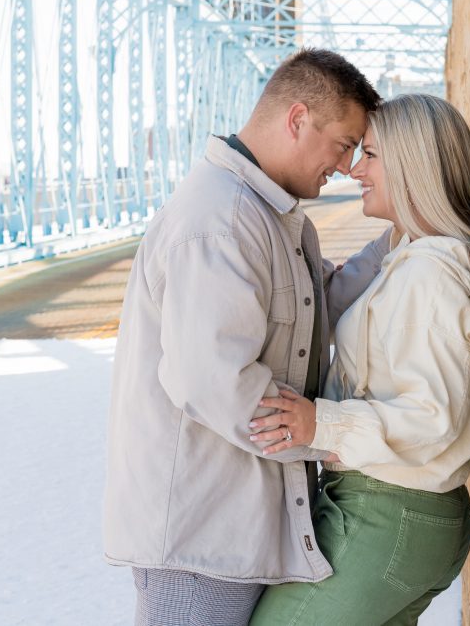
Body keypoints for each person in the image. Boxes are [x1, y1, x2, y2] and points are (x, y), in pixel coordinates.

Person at [104, 47, 389, 626]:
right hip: (201, 539)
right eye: (343, 143)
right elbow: (216, 383)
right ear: (297, 119)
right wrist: (331, 438)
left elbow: (324, 303)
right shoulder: (221, 221)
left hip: (237, 528)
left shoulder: (269, 217)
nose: (345, 165)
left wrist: (410, 231)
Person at [247, 93, 470, 625]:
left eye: (370, 155)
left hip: (391, 514)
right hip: (394, 512)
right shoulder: (408, 257)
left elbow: (432, 418)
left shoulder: (429, 276)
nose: (355, 169)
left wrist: (318, 422)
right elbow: (333, 297)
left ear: (411, 165)